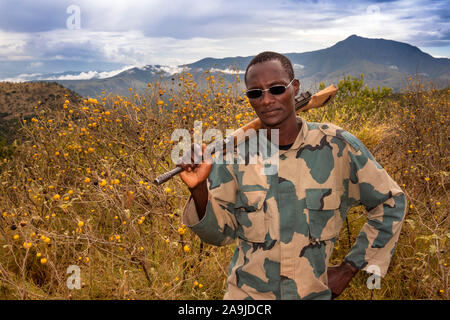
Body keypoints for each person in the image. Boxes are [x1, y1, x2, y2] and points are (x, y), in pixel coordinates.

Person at [178, 51, 406, 300]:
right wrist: (198, 188)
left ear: (295, 88)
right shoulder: (234, 156)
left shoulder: (338, 147)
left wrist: (350, 267)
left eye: (276, 89)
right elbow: (218, 234)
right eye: (255, 93)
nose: (266, 100)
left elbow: (391, 201)